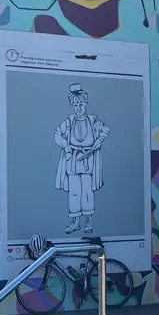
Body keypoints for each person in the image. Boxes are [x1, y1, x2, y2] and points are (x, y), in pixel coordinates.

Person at [54, 83, 110, 234]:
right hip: (72, 160)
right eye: (75, 104)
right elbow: (57, 135)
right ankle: (75, 222)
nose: (79, 107)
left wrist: (98, 142)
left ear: (85, 104)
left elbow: (105, 129)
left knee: (86, 191)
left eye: (81, 104)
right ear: (72, 105)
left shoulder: (93, 120)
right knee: (74, 192)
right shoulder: (69, 121)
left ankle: (89, 221)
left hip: (88, 161)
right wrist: (66, 146)